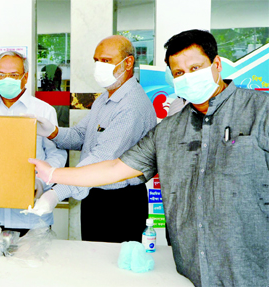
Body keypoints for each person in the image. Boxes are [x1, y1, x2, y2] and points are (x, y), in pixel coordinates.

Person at [29, 29, 269, 287]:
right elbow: (113, 166)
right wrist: (53, 167)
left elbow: (103, 156)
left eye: (196, 67)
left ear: (217, 64)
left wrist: (56, 191)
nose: (188, 77)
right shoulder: (168, 129)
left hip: (250, 265)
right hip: (191, 269)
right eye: (178, 73)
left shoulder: (260, 111)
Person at [26, 35, 157, 243]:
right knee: (93, 262)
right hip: (93, 194)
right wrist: (52, 131)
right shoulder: (106, 98)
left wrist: (56, 193)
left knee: (113, 269)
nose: (99, 67)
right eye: (97, 61)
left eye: (106, 61)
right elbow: (81, 136)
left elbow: (101, 158)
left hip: (120, 203)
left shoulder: (131, 106)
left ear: (128, 62)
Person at [0, 51, 66, 235]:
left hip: (32, 215)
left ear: (25, 77)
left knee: (32, 262)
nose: (7, 79)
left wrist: (40, 183)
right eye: (1, 75)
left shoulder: (43, 111)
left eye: (14, 75)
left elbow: (57, 153)